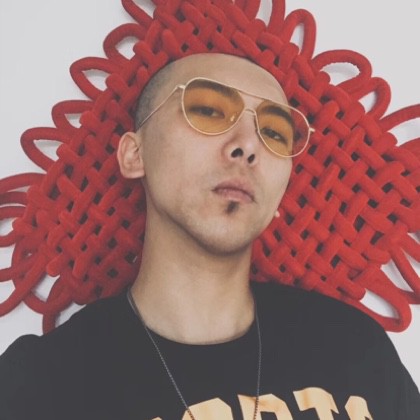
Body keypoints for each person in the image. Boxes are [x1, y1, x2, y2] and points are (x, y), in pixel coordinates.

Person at [0, 50, 420, 419]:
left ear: (279, 196)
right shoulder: (42, 384)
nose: (248, 145)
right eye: (207, 111)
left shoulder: (354, 348)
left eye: (275, 134)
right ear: (134, 154)